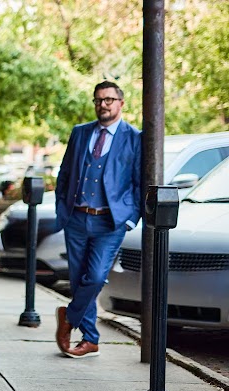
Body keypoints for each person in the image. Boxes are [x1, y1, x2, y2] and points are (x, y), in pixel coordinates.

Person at [54, 81, 141, 358]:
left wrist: (131, 218)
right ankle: (90, 339)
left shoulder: (134, 137)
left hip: (110, 222)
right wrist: (62, 210)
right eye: (98, 100)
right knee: (78, 279)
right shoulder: (80, 133)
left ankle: (69, 317)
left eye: (109, 100)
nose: (103, 105)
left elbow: (139, 182)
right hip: (77, 218)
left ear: (121, 103)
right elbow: (65, 173)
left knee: (95, 277)